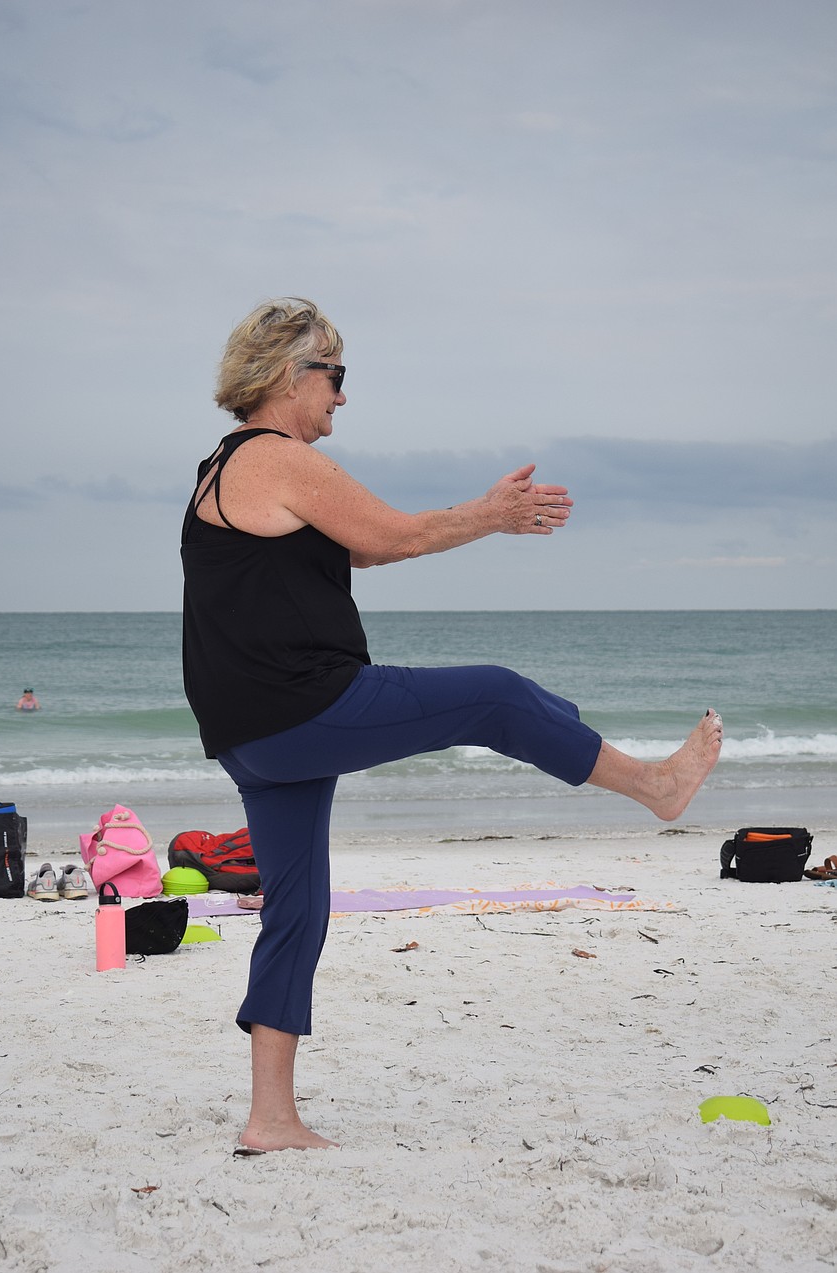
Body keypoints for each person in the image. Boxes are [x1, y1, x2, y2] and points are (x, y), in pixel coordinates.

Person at [181, 297, 723, 1154]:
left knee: (298, 909)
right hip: (299, 705)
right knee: (497, 696)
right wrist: (491, 515)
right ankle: (653, 786)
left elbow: (356, 546)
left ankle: (270, 1119)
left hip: (249, 729)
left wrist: (475, 516)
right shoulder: (273, 456)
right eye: (336, 375)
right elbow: (391, 538)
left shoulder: (223, 464)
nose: (343, 397)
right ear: (289, 373)